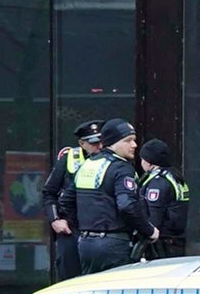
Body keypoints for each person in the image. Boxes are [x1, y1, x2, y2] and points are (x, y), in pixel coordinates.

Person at [58, 119, 156, 275]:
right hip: (113, 244)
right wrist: (149, 230)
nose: (134, 145)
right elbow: (127, 205)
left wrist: (86, 226)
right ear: (112, 142)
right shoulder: (122, 167)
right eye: (128, 140)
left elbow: (66, 200)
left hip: (85, 244)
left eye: (134, 140)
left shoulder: (88, 164)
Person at [41, 120, 103, 281]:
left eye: (103, 142)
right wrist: (55, 220)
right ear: (82, 143)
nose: (100, 147)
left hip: (100, 232)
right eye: (95, 143)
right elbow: (49, 193)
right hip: (72, 229)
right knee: (69, 279)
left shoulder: (111, 161)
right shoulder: (69, 159)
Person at [138, 139, 190, 260]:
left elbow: (154, 216)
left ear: (149, 162)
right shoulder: (175, 177)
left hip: (161, 244)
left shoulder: (158, 182)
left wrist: (147, 234)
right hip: (175, 241)